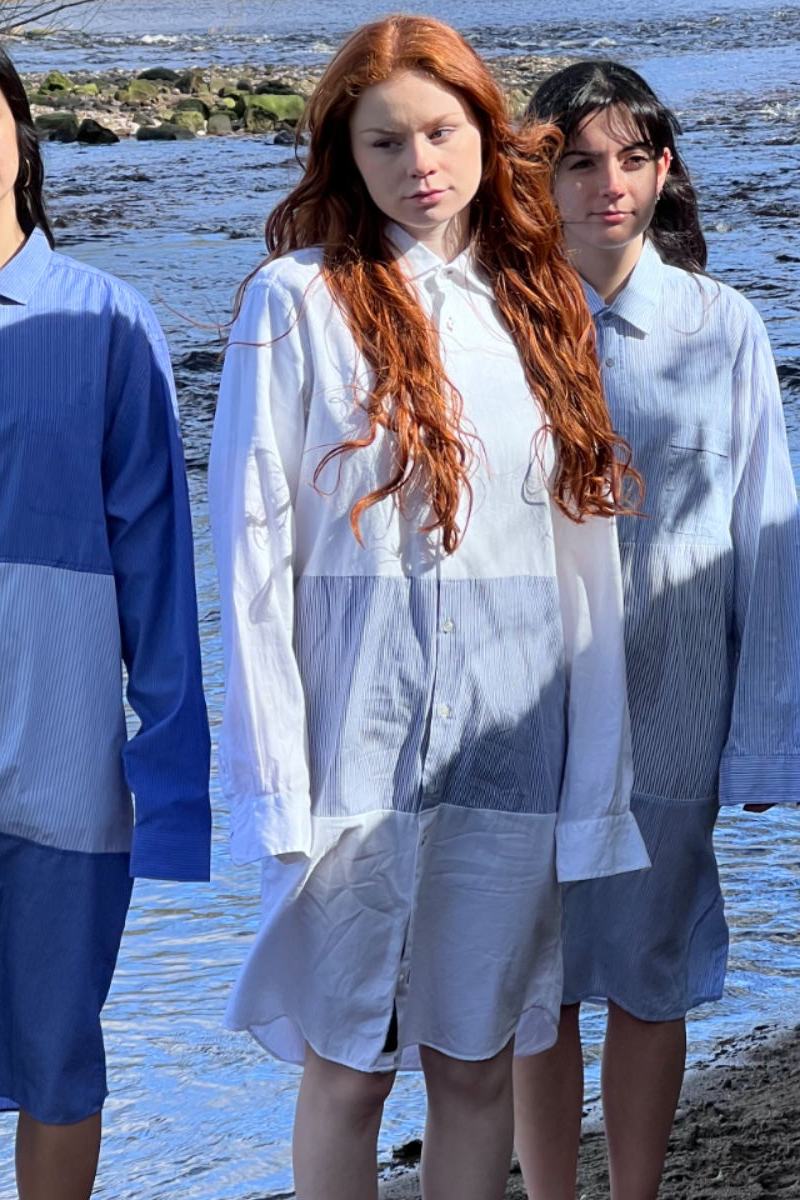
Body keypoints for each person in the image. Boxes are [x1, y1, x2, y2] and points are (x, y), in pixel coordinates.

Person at [210, 18, 650, 1200]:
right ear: (344, 155)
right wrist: (272, 783)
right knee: (348, 1070)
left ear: (484, 134)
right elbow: (252, 558)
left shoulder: (537, 302)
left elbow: (586, 568)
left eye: (441, 132)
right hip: (350, 743)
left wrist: (594, 786)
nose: (420, 164)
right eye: (385, 141)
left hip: (511, 739)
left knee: (474, 1064)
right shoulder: (293, 303)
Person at [0, 19, 211, 1200]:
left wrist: (171, 786)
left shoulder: (110, 323)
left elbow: (160, 572)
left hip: (63, 763)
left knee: (59, 1056)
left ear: (22, 132)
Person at [514, 61, 800, 1200]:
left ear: (664, 167)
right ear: (539, 176)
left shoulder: (721, 324)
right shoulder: (502, 320)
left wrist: (769, 736)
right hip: (525, 706)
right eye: (580, 163)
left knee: (649, 969)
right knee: (535, 980)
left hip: (677, 703)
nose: (609, 185)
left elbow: (767, 533)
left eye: (632, 159)